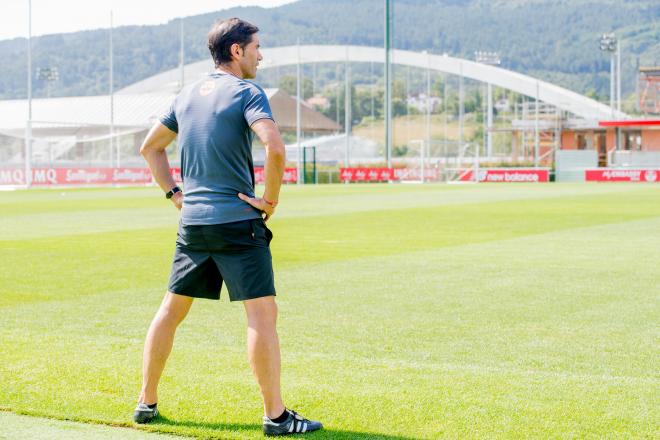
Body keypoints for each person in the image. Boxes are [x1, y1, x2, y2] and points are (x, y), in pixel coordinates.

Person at [134, 17, 322, 436]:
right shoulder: (246, 91)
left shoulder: (184, 95)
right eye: (256, 46)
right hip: (238, 221)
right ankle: (276, 417)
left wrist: (174, 194)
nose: (261, 54)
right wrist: (269, 201)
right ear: (236, 51)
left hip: (194, 224)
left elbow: (150, 148)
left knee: (170, 311)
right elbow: (274, 147)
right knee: (261, 315)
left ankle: (146, 402)